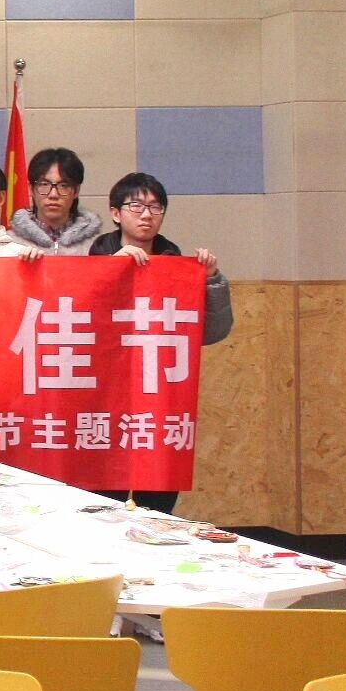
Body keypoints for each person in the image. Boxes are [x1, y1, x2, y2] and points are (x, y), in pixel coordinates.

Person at [91, 172, 234, 512]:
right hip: (105, 400)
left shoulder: (177, 266)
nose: (146, 215)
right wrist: (111, 270)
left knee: (157, 504)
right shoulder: (92, 261)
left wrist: (211, 279)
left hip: (159, 399)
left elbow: (214, 332)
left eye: (156, 207)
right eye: (136, 206)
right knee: (102, 502)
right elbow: (81, 322)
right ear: (115, 213)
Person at [11, 147, 102, 255]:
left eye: (63, 185)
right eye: (44, 184)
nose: (53, 195)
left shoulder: (98, 245)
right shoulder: (10, 243)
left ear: (76, 191)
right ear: (31, 189)